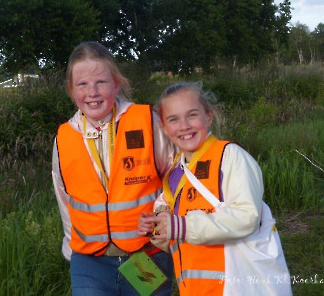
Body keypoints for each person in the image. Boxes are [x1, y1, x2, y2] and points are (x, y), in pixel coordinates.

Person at [52, 41, 176, 295]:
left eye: (101, 83)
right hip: (89, 261)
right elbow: (64, 198)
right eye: (82, 84)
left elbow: (175, 175)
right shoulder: (64, 136)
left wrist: (163, 219)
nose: (92, 92)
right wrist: (71, 248)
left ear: (116, 84)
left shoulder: (145, 121)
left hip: (146, 254)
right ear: (71, 90)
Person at [138, 81, 266, 295]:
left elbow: (248, 217)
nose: (184, 126)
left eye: (192, 115)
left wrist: (181, 227)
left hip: (236, 287)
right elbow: (175, 231)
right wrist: (158, 227)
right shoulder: (175, 172)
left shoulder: (231, 157)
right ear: (164, 128)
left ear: (209, 116)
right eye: (173, 119)